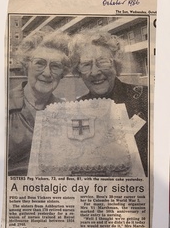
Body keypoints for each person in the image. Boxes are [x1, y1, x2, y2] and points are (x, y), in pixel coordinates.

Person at [69, 28, 148, 176]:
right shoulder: (75, 110)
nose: (95, 72)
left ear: (116, 65)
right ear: (78, 71)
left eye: (103, 62)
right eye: (86, 64)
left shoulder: (145, 98)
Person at [8, 29, 70, 176]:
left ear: (63, 73)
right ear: (26, 65)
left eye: (55, 66)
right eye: (39, 63)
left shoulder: (66, 112)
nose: (47, 73)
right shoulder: (4, 106)